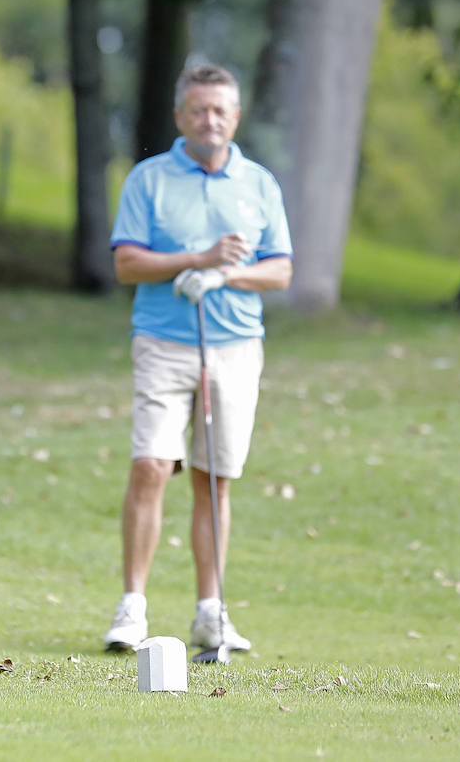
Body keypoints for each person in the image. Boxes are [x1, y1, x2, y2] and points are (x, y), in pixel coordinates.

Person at [104, 62, 293, 656]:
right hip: (163, 343)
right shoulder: (149, 178)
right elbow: (127, 264)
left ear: (235, 117)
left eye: (221, 110)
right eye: (199, 110)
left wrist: (226, 274)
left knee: (215, 480)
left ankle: (211, 613)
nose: (210, 120)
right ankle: (132, 608)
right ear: (180, 116)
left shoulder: (259, 183)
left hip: (235, 348)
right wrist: (197, 260)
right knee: (151, 466)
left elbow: (281, 269)